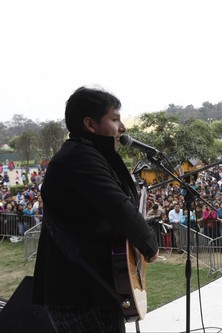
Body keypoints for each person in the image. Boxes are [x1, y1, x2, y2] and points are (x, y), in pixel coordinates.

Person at [32, 86, 159, 333]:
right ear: (90, 124)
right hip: (79, 292)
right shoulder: (79, 157)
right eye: (114, 119)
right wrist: (149, 245)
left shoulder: (88, 154)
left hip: (91, 287)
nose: (122, 128)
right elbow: (118, 207)